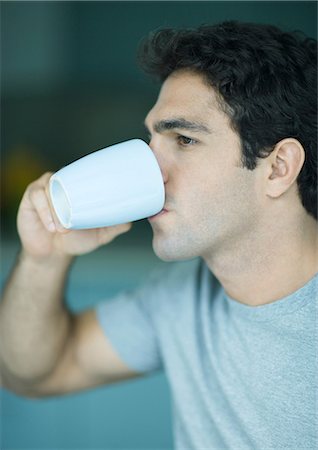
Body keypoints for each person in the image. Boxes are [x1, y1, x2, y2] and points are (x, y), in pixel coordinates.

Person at [0, 21, 317, 449]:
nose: (150, 168)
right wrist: (44, 258)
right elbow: (35, 372)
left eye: (184, 139)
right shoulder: (183, 295)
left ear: (278, 168)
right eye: (152, 139)